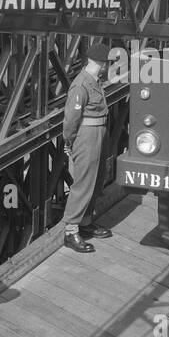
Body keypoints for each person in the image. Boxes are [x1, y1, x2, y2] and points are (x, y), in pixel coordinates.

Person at [63, 42, 115, 253]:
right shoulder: (81, 85)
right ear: (100, 63)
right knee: (84, 182)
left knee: (97, 178)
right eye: (106, 63)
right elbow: (71, 120)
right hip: (87, 135)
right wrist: (69, 142)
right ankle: (71, 230)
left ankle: (85, 222)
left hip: (99, 133)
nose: (108, 67)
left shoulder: (95, 81)